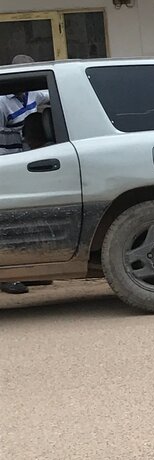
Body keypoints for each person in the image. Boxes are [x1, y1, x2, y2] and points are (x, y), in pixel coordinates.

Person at [1, 55, 51, 296]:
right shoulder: (2, 102)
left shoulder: (33, 93)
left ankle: (30, 272)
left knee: (27, 219)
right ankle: (8, 276)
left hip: (26, 163)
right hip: (6, 165)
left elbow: (52, 93)